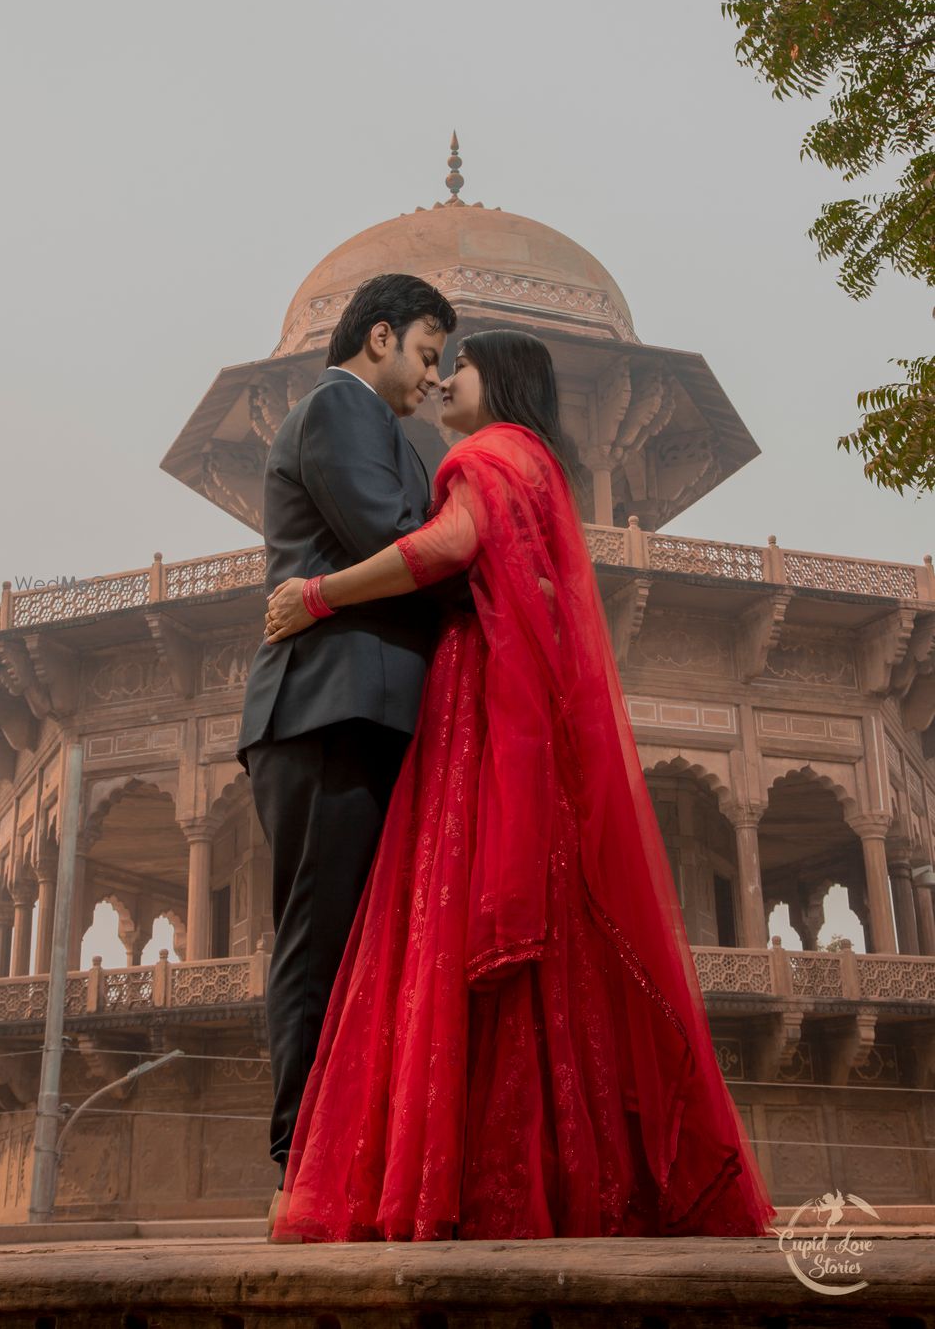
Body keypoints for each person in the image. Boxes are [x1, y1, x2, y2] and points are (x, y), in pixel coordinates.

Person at [263, 329, 775, 1241]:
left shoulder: (485, 456)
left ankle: (466, 1177)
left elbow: (447, 546)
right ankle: (574, 1175)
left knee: (454, 921)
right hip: (530, 715)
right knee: (552, 939)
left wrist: (323, 594)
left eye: (453, 364)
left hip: (481, 708)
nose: (441, 377)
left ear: (494, 382)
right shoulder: (541, 466)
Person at [235, 273, 457, 1235]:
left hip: (360, 706)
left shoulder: (382, 426)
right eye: (427, 354)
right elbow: (396, 539)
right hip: (330, 705)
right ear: (379, 338)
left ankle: (345, 1156)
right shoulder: (341, 409)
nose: (434, 379)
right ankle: (300, 1162)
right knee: (321, 937)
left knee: (359, 942)